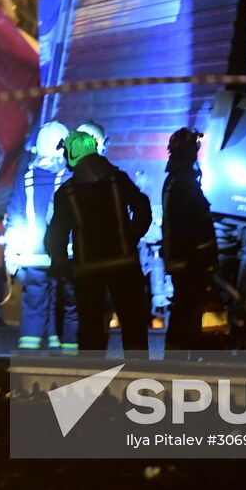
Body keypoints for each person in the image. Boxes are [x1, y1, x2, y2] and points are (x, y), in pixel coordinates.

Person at [45, 130, 153, 355]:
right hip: (125, 266)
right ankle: (140, 383)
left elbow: (55, 238)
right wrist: (131, 237)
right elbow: (143, 208)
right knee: (133, 327)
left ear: (72, 155)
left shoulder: (66, 193)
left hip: (88, 272)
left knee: (91, 331)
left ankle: (93, 384)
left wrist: (64, 265)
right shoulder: (118, 180)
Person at [7, 121, 77, 352]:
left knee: (34, 304)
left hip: (31, 257)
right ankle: (65, 357)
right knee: (65, 306)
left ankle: (29, 356)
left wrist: (12, 252)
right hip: (64, 256)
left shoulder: (25, 178)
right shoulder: (71, 178)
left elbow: (15, 217)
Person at [162, 128, 219, 352]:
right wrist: (209, 257)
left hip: (181, 258)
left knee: (184, 307)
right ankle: (183, 356)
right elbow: (198, 224)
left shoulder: (175, 180)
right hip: (189, 260)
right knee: (188, 308)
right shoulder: (184, 183)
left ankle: (179, 354)